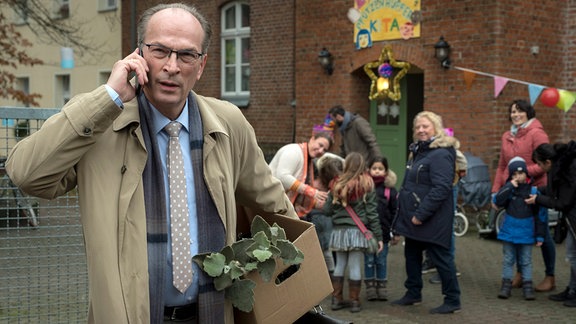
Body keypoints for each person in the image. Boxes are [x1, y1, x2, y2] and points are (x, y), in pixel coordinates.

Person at [5, 3, 298, 323]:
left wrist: (300, 269)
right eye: (159, 51)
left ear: (201, 66)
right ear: (138, 55)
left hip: (211, 314)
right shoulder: (99, 122)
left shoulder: (227, 124)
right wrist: (108, 98)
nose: (172, 66)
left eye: (186, 55)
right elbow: (26, 174)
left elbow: (273, 204)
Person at [390, 111, 461, 314]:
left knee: (441, 258)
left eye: (425, 126)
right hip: (414, 216)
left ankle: (452, 299)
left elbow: (442, 188)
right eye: (418, 127)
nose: (421, 130)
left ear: (436, 128)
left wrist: (421, 214)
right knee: (411, 255)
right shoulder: (419, 151)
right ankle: (413, 294)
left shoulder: (441, 153)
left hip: (431, 218)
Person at [490, 99, 554, 292]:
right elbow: (502, 166)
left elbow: (545, 163)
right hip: (514, 190)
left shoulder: (537, 133)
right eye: (512, 112)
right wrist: (496, 190)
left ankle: (550, 276)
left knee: (542, 232)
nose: (515, 115)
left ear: (528, 113)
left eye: (520, 111)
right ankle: (519, 274)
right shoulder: (507, 135)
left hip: (534, 189)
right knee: (517, 230)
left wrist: (522, 174)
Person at [323, 152, 384, 313]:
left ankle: (336, 300)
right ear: (363, 166)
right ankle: (354, 302)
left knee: (339, 264)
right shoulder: (367, 184)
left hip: (339, 232)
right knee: (355, 266)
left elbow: (327, 211)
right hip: (358, 232)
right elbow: (372, 214)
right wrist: (378, 236)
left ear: (346, 165)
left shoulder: (335, 184)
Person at [527, 141, 576, 307]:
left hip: (574, 217)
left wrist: (538, 199)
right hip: (571, 218)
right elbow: (555, 191)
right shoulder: (561, 167)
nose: (540, 168)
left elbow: (563, 202)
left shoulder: (567, 171)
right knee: (572, 253)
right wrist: (538, 191)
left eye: (540, 164)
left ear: (548, 162)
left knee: (574, 255)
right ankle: (572, 289)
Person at [494, 157, 546, 300]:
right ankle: (506, 285)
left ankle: (528, 286)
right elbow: (498, 201)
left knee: (526, 260)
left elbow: (540, 215)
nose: (518, 177)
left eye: (521, 173)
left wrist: (540, 235)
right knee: (508, 259)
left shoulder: (534, 191)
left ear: (526, 174)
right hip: (509, 232)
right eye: (514, 174)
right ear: (511, 176)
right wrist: (509, 186)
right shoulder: (509, 190)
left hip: (527, 233)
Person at [268, 131, 333, 218]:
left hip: (278, 207)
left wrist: (315, 202)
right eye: (320, 145)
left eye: (324, 150)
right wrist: (312, 192)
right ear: (312, 139)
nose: (320, 150)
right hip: (270, 203)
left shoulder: (308, 158)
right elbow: (282, 176)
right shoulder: (294, 151)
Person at [364, 156, 397, 301]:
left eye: (380, 169)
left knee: (381, 260)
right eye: (374, 168)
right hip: (367, 232)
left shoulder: (389, 191)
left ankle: (382, 287)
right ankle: (370, 287)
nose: (377, 171)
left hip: (384, 232)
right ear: (369, 170)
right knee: (369, 260)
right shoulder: (364, 188)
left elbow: (395, 212)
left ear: (385, 171)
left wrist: (395, 232)